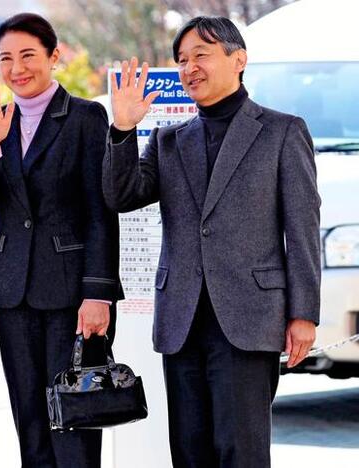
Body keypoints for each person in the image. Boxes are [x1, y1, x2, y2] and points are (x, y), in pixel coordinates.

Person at [102, 16, 320, 468]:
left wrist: (303, 313)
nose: (189, 68)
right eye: (182, 60)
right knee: (189, 451)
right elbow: (121, 196)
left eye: (201, 55)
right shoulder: (167, 139)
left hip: (248, 319)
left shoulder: (282, 131)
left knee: (241, 451)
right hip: (182, 320)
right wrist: (122, 131)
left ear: (238, 59)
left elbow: (302, 228)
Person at [0, 13, 122, 468]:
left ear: (54, 56)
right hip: (13, 290)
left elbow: (99, 209)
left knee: (74, 415)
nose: (17, 68)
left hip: (71, 292)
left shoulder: (87, 117)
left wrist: (97, 293)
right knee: (28, 417)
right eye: (6, 59)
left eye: (28, 55)